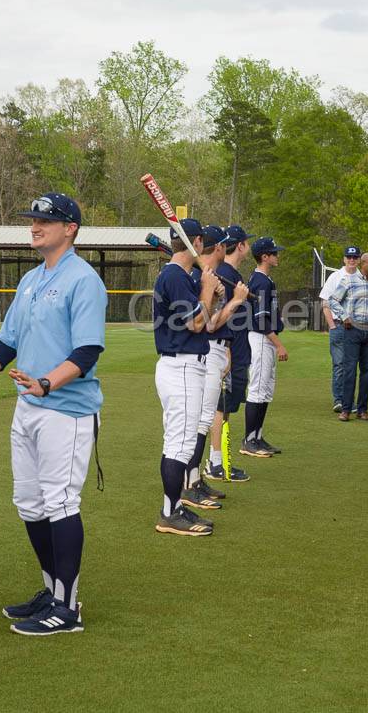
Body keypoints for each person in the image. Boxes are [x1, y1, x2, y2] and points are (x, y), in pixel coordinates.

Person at [0, 192, 109, 636]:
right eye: (31, 219)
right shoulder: (30, 280)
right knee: (29, 504)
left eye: (44, 221)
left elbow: (86, 351)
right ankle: (52, 590)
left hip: (65, 410)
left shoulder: (83, 280)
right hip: (27, 406)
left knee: (61, 502)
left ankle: (67, 610)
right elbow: (6, 345)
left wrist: (47, 382)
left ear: (70, 229)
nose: (34, 226)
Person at [151, 217, 219, 536]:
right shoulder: (175, 276)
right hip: (180, 365)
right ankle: (170, 512)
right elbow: (196, 324)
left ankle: (174, 506)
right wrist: (207, 290)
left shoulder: (182, 275)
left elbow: (204, 320)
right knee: (179, 444)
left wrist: (211, 294)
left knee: (181, 441)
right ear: (198, 243)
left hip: (185, 364)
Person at [185, 224, 250, 507]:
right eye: (224, 244)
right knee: (200, 421)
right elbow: (210, 325)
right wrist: (235, 301)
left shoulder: (209, 276)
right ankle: (192, 483)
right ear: (219, 247)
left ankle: (197, 480)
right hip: (206, 352)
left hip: (216, 352)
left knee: (204, 418)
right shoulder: (202, 277)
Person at [205, 224, 255, 483]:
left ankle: (219, 460)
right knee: (219, 408)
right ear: (242, 245)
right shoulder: (223, 274)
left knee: (224, 408)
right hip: (227, 350)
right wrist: (228, 353)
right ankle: (216, 462)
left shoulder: (230, 274)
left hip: (234, 349)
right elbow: (218, 321)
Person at [243, 237, 289, 456]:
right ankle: (249, 440)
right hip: (261, 338)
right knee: (258, 389)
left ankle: (258, 437)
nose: (277, 256)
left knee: (265, 389)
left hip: (264, 339)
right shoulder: (261, 281)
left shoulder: (264, 280)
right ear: (264, 257)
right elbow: (261, 320)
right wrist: (279, 345)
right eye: (274, 253)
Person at [329, 252, 368, 421]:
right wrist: (344, 316)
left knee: (367, 372)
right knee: (350, 370)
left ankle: (362, 410)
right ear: (363, 264)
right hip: (352, 331)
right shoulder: (349, 280)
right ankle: (346, 409)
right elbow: (333, 300)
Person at [320, 246, 361, 413]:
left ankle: (350, 400)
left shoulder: (361, 277)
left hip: (358, 328)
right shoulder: (335, 277)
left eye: (355, 257)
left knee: (352, 365)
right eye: (349, 257)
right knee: (339, 364)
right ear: (344, 259)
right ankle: (339, 400)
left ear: (358, 259)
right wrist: (332, 326)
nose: (351, 260)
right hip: (338, 325)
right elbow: (325, 304)